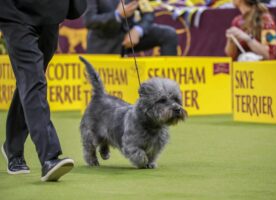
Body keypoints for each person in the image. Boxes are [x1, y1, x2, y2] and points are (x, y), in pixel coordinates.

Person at [0, 0, 86, 181]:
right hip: (15, 13)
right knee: (33, 81)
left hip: (50, 13)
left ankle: (13, 148)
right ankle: (49, 157)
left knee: (31, 81)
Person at [83, 0, 178, 56]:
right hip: (104, 42)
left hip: (129, 34)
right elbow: (89, 20)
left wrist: (138, 30)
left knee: (169, 35)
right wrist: (117, 15)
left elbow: (148, 13)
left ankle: (168, 86)